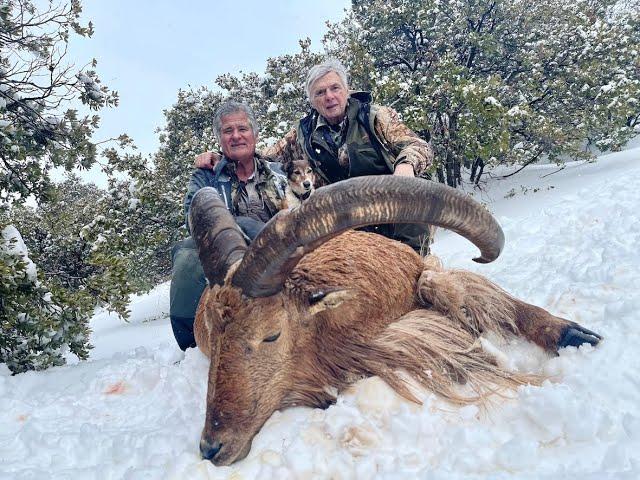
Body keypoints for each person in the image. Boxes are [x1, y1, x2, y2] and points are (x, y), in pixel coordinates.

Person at [195, 58, 435, 253]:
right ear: (312, 100)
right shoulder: (302, 133)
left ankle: (418, 268)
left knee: (411, 248)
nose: (329, 96)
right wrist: (222, 154)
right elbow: (262, 155)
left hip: (393, 208)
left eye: (335, 88)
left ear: (347, 90)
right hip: (346, 221)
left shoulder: (375, 117)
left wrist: (406, 166)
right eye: (320, 92)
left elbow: (417, 146)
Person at [170, 101, 287, 350]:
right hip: (226, 257)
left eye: (242, 129)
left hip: (277, 254)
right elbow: (195, 218)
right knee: (186, 255)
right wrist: (245, 228)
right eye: (227, 131)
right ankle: (192, 346)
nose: (236, 136)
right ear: (220, 139)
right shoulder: (206, 175)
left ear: (254, 134)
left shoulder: (280, 174)